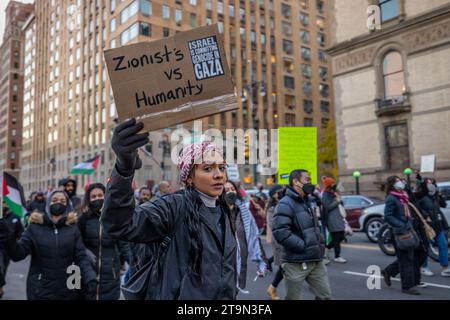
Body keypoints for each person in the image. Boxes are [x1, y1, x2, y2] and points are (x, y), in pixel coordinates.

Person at [101, 118, 237, 299]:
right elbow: (119, 225)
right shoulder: (173, 206)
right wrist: (124, 168)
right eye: (208, 168)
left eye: (221, 167)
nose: (219, 175)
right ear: (189, 177)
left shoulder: (224, 210)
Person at [0, 189, 97, 300]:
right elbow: (18, 254)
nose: (58, 203)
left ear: (67, 206)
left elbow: (81, 256)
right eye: (54, 200)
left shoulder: (73, 229)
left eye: (62, 201)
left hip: (68, 289)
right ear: (48, 203)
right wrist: (7, 237)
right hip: (40, 290)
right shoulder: (34, 227)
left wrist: (90, 276)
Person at [273, 169, 331, 300]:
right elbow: (281, 232)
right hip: (296, 263)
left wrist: (320, 244)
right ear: (296, 182)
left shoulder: (309, 201)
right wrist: (303, 246)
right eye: (307, 180)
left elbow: (317, 225)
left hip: (316, 260)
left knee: (325, 296)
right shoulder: (285, 203)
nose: (310, 183)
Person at [77, 183, 130, 300]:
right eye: (93, 196)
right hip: (88, 271)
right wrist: (85, 252)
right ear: (89, 199)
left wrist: (133, 262)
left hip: (110, 273)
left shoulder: (115, 218)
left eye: (100, 195)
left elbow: (123, 244)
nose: (97, 199)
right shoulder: (83, 219)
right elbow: (77, 243)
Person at [381, 176, 424, 295]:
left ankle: (388, 272)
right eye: (397, 181)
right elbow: (388, 216)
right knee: (406, 259)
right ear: (392, 184)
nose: (400, 182)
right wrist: (402, 225)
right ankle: (407, 286)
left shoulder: (403, 196)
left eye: (400, 180)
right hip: (399, 232)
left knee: (406, 258)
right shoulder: (391, 198)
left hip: (407, 230)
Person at [224, 180, 266, 293]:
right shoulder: (216, 211)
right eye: (226, 190)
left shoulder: (243, 211)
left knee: (235, 290)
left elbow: (253, 237)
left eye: (232, 189)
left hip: (241, 257)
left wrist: (261, 261)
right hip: (222, 261)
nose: (230, 192)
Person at [417, 178, 450, 277]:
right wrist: (425, 215)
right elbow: (417, 209)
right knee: (426, 247)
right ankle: (424, 267)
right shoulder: (421, 197)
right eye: (428, 183)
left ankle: (445, 268)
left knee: (443, 244)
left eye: (432, 183)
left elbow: (443, 205)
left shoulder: (435, 196)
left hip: (438, 225)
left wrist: (439, 195)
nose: (430, 185)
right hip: (426, 226)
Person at [0, 203, 24, 298]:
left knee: (4, 268)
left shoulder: (15, 218)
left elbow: (20, 233)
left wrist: (14, 243)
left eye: (5, 202)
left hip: (8, 250)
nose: (3, 204)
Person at [265, 184, 285, 300]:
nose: (282, 193)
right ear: (274, 195)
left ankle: (272, 287)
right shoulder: (272, 209)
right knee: (284, 266)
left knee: (287, 266)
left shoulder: (288, 203)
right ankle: (272, 288)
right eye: (279, 192)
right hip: (279, 241)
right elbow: (274, 225)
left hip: (290, 240)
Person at [321, 177, 347, 263]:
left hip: (338, 218)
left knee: (341, 237)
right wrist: (337, 201)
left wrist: (339, 199)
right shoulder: (325, 195)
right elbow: (327, 207)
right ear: (329, 186)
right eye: (332, 184)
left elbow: (341, 204)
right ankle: (337, 256)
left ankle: (327, 248)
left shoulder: (333, 193)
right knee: (336, 238)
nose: (334, 185)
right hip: (332, 219)